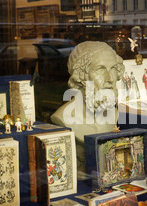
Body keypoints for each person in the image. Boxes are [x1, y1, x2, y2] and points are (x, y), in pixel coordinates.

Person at [51, 41, 125, 172]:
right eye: (100, 69)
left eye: (113, 69)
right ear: (81, 76)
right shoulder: (63, 118)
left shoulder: (113, 113)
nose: (110, 78)